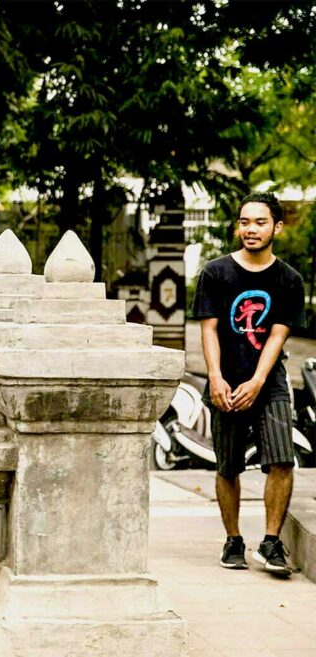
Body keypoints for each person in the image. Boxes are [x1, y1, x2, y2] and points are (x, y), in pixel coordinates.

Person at [190, 192, 306, 576]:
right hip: (226, 379)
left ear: (277, 227)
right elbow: (209, 331)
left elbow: (277, 336)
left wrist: (257, 380)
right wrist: (217, 378)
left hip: (267, 381)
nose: (251, 229)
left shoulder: (289, 280)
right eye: (244, 222)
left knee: (281, 459)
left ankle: (271, 542)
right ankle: (233, 540)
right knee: (228, 465)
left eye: (259, 222)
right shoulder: (215, 273)